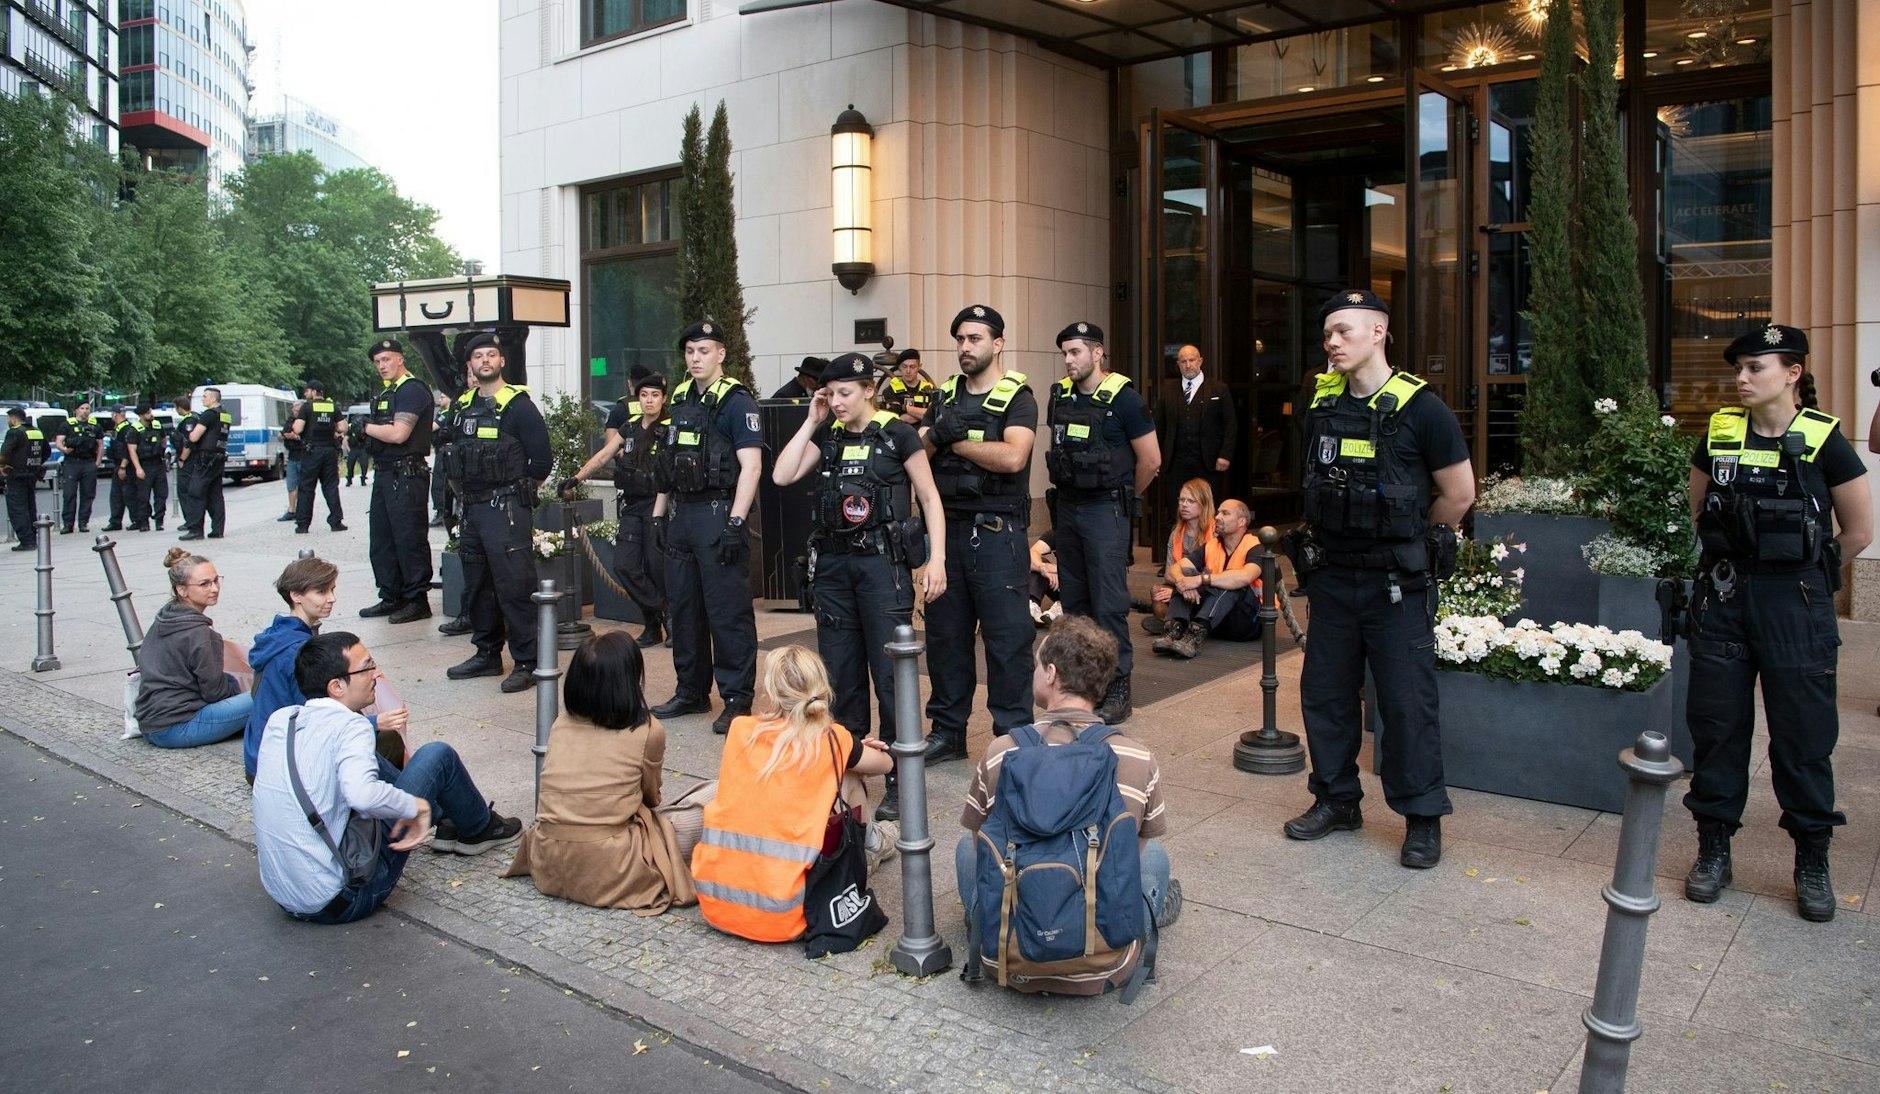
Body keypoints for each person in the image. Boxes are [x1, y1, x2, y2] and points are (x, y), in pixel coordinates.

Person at [1680, 324, 1873, 922]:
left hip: (1796, 603)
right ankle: (1714, 850)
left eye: (1755, 367)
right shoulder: (1717, 435)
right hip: (1726, 597)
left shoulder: (1824, 440)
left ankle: (1811, 861)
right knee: (1717, 728)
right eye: (1738, 367)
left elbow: (1860, 530)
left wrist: (1808, 575)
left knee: (1804, 736)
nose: (1742, 378)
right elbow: (1698, 512)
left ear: (1792, 373)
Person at [1285, 289, 1475, 870]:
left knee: (1406, 702)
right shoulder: (1320, 405)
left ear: (1379, 332)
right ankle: (1337, 799)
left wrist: (1410, 539)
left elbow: (1460, 494)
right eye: (1327, 334)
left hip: (1396, 583)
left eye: (1344, 331)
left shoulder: (1424, 410)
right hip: (1334, 578)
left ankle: (1421, 817)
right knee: (1326, 694)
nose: (1332, 343)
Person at [956, 615, 1181, 985]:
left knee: (968, 847)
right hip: (1107, 963)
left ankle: (989, 923)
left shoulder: (1002, 751)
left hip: (1008, 960)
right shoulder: (1139, 757)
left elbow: (982, 839)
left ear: (1050, 674)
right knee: (1155, 855)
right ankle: (1146, 914)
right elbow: (1132, 850)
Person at [772, 352, 948, 821]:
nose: (838, 402)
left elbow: (929, 497)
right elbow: (782, 474)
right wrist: (811, 421)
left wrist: (937, 560)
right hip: (833, 570)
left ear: (869, 389)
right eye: (830, 395)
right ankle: (849, 773)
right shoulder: (828, 435)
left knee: (891, 680)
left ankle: (898, 779)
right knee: (841, 678)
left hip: (882, 570)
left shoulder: (898, 434)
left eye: (846, 393)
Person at [251, 632, 524, 925]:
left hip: (286, 895)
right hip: (344, 896)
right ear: (337, 686)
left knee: (374, 760)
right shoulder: (351, 726)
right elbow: (362, 796)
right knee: (437, 755)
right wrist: (415, 808)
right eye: (366, 668)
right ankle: (478, 828)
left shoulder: (284, 720)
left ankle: (447, 817)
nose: (375, 675)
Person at [692, 646, 895, 943]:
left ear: (771, 694)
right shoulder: (831, 738)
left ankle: (874, 839)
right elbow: (887, 763)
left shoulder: (739, 729)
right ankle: (874, 842)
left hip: (715, 903)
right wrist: (853, 752)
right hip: (786, 916)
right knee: (849, 774)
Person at [502, 631, 698, 914]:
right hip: (613, 867)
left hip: (549, 862)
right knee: (708, 802)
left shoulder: (561, 723)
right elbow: (652, 798)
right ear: (630, 681)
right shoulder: (648, 730)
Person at [919, 304, 1038, 764]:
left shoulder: (1018, 396)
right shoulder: (944, 395)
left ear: (997, 344)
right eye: (961, 340)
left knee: (1007, 641)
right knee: (945, 639)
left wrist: (955, 441)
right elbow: (920, 456)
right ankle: (948, 732)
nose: (965, 348)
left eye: (975, 339)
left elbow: (1013, 457)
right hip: (946, 534)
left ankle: (1012, 735)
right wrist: (934, 437)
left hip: (997, 536)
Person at [650, 319, 763, 734]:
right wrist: (659, 514)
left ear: (720, 354)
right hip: (682, 515)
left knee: (727, 611)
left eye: (704, 351)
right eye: (690, 351)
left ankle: (737, 697)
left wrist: (736, 521)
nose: (695, 358)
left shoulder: (737, 402)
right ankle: (691, 690)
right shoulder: (679, 398)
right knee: (683, 608)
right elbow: (667, 463)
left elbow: (751, 467)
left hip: (718, 514)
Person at [1045, 321, 1160, 723]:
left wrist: (1127, 495)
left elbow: (1151, 461)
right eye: (1064, 353)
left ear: (1098, 352)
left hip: (1105, 510)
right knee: (1074, 603)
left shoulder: (1127, 400)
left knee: (1109, 604)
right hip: (1069, 508)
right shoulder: (1059, 396)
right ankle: (1081, 682)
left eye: (1075, 352)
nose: (1068, 360)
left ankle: (1118, 686)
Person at [441, 332, 552, 693]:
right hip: (471, 508)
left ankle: (527, 661)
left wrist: (516, 491)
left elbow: (542, 463)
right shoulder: (461, 407)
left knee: (515, 586)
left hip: (505, 509)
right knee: (479, 586)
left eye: (491, 354)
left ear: (501, 361)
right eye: (478, 356)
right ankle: (487, 653)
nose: (485, 360)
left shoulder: (518, 405)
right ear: (470, 365)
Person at [244, 557, 410, 782]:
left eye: (332, 590)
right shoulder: (297, 650)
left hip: (261, 754)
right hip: (278, 767)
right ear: (296, 595)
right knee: (388, 741)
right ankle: (400, 802)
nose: (332, 599)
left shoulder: (278, 635)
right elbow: (315, 720)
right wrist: (373, 723)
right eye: (321, 592)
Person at [566, 368, 670, 647]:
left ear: (663, 399)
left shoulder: (670, 428)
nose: (649, 401)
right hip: (633, 506)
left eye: (655, 395)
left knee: (655, 567)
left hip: (658, 505)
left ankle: (655, 625)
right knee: (624, 565)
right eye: (644, 395)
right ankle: (663, 613)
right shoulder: (630, 427)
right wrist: (576, 477)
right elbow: (602, 456)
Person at [135, 548, 254, 748]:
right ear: (181, 590)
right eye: (205, 584)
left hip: (150, 721)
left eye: (216, 580)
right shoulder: (201, 634)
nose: (215, 588)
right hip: (176, 727)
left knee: (234, 683)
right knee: (268, 693)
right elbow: (215, 694)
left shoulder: (166, 617)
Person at [357, 338, 436, 623]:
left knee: (408, 538)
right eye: (378, 362)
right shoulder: (390, 392)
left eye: (386, 359)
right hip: (387, 470)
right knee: (382, 539)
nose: (381, 366)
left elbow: (400, 433)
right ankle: (391, 596)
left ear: (400, 359)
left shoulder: (412, 390)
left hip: (406, 473)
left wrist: (365, 427)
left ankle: (416, 600)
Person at [1152, 498, 1263, 657]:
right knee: (1185, 574)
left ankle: (1194, 635)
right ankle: (1174, 629)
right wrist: (1184, 583)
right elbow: (1173, 570)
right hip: (1217, 621)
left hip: (1245, 623)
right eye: (1218, 512)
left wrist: (1200, 580)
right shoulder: (1212, 545)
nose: (1217, 517)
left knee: (1232, 583)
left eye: (1225, 513)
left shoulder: (1256, 546)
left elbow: (1245, 577)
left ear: (1241, 522)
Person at [1155, 345, 1235, 512]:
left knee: (1208, 508)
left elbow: (1230, 424)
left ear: (1200, 361)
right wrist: (1156, 459)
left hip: (1209, 461)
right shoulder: (1168, 390)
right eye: (1183, 361)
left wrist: (1224, 455)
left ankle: (1207, 539)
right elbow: (1159, 426)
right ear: (1178, 364)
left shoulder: (1219, 389)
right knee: (1176, 508)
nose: (1188, 365)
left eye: (1191, 360)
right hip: (1176, 462)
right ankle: (1178, 539)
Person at [1143, 478, 1216, 635]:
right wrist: (1179, 589)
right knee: (1157, 591)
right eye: (1182, 500)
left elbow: (1218, 574)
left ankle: (1172, 623)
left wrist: (1182, 589)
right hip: (1182, 586)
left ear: (1204, 504)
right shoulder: (1176, 533)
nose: (1184, 504)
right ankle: (1178, 623)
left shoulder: (1216, 532)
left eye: (1191, 501)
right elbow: (1169, 573)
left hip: (1207, 589)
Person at [289, 379, 347, 534]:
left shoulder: (307, 407)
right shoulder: (333, 406)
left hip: (312, 452)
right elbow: (342, 427)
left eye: (308, 391)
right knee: (330, 486)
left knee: (307, 487)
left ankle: (303, 524)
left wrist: (295, 425)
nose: (306, 394)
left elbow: (298, 429)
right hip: (329, 451)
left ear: (314, 392)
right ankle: (336, 521)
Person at [176, 387, 231, 541]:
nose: (202, 399)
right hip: (218, 457)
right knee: (215, 495)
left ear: (214, 398)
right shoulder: (225, 414)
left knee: (195, 492)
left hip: (205, 458)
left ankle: (195, 530)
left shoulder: (208, 414)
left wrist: (190, 436)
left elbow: (194, 437)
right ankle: (217, 530)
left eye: (205, 396)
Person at [2, 406, 51, 550]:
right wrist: (35, 464)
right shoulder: (36, 431)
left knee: (17, 508)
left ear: (13, 418)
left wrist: (2, 466)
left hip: (16, 474)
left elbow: (4, 453)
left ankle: (26, 541)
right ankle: (32, 537)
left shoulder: (14, 432)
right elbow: (46, 451)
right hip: (32, 474)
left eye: (8, 419)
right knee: (30, 507)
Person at [55, 400, 105, 534]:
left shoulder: (95, 426)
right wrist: (64, 450)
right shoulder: (67, 425)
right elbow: (59, 442)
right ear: (76, 410)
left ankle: (83, 522)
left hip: (88, 462)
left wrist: (97, 463)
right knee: (69, 494)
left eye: (87, 408)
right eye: (82, 408)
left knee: (88, 494)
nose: (85, 411)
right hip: (72, 462)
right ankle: (68, 524)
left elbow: (100, 445)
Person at [126, 403, 169, 533]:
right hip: (144, 465)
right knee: (143, 496)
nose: (151, 414)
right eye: (148, 412)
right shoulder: (134, 429)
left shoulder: (157, 425)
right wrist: (138, 468)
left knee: (161, 494)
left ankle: (159, 521)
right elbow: (132, 451)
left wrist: (162, 451)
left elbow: (163, 439)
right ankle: (144, 522)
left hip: (158, 464)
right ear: (141, 415)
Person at [881, 348, 935, 426]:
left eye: (912, 367)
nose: (908, 371)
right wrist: (924, 414)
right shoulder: (890, 390)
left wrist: (904, 408)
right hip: (900, 435)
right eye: (904, 366)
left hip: (924, 434)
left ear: (919, 367)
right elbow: (895, 420)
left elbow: (934, 415)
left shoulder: (929, 389)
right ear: (899, 367)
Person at [101, 406, 132, 531]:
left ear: (114, 414)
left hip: (123, 465)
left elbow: (127, 450)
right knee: (117, 495)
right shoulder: (119, 428)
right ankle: (116, 521)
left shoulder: (126, 429)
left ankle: (135, 520)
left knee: (126, 494)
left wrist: (123, 467)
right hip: (118, 464)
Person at [1028, 530, 1063, 625]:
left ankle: (1062, 607)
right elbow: (1032, 553)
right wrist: (1043, 568)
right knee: (1038, 563)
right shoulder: (1058, 532)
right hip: (1058, 583)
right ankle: (1032, 607)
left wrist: (1059, 571)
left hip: (1081, 586)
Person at [279, 399, 305, 522]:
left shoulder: (306, 420)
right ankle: (291, 510)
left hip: (303, 455)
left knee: (303, 485)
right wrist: (282, 435)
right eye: (294, 409)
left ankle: (301, 509)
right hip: (292, 456)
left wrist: (295, 437)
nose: (294, 411)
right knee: (291, 484)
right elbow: (284, 432)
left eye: (297, 409)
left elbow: (309, 438)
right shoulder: (290, 420)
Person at [343, 410, 369, 486]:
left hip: (362, 448)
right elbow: (345, 440)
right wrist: (349, 449)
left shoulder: (365, 428)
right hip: (354, 448)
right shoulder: (351, 428)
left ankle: (363, 479)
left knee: (364, 465)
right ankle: (349, 479)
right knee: (350, 466)